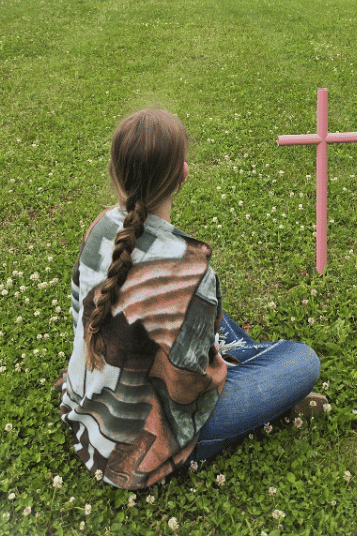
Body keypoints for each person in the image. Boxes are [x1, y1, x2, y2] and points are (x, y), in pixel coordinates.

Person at [59, 109, 326, 490]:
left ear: (114, 170)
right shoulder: (191, 272)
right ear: (183, 173)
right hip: (145, 446)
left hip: (87, 408)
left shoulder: (100, 227)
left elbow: (79, 313)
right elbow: (188, 389)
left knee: (203, 313)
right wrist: (216, 365)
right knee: (303, 360)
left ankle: (231, 352)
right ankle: (240, 359)